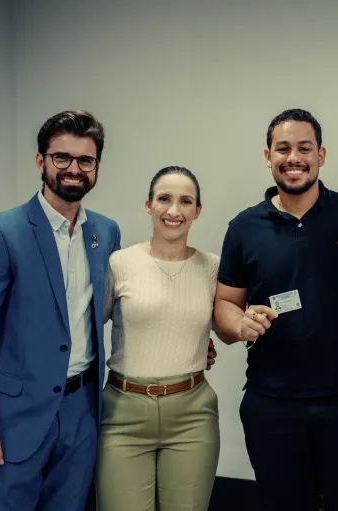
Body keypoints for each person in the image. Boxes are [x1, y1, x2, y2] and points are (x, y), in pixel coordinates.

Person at [213, 108, 338, 511]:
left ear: (321, 155)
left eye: (304, 148)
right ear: (268, 156)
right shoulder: (244, 228)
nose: (294, 158)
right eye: (283, 148)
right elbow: (225, 305)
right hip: (273, 405)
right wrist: (240, 323)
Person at [0, 110, 120, 510]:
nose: (74, 169)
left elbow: (113, 306)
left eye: (86, 160)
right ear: (41, 161)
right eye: (62, 157)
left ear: (97, 167)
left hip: (81, 411)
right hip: (10, 417)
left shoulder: (105, 232)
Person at [96, 166, 225, 510]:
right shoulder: (119, 263)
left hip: (192, 414)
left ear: (197, 211)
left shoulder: (212, 267)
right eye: (164, 199)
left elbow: (225, 326)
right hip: (123, 413)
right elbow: (88, 328)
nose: (174, 210)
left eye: (186, 201)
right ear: (148, 205)